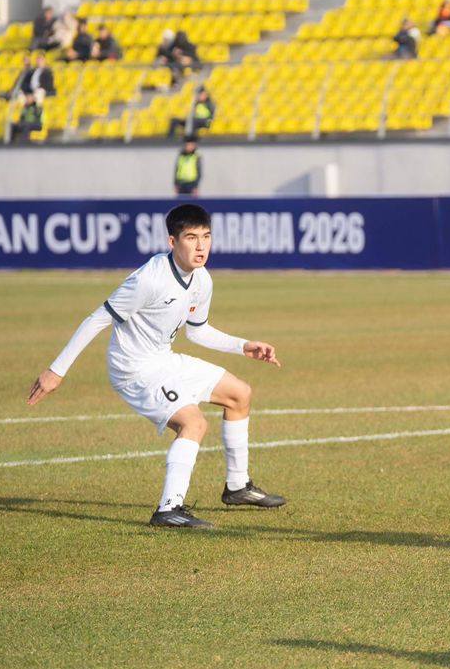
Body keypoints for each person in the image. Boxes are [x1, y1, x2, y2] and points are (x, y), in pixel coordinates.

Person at [25, 203, 285, 529]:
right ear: (172, 242)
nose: (201, 246)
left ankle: (237, 486)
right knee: (193, 423)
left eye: (206, 236)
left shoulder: (202, 279)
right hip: (133, 368)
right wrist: (56, 370)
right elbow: (97, 319)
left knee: (239, 394)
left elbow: (198, 331)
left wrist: (242, 345)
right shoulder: (149, 279)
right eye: (191, 237)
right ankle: (168, 509)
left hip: (163, 359)